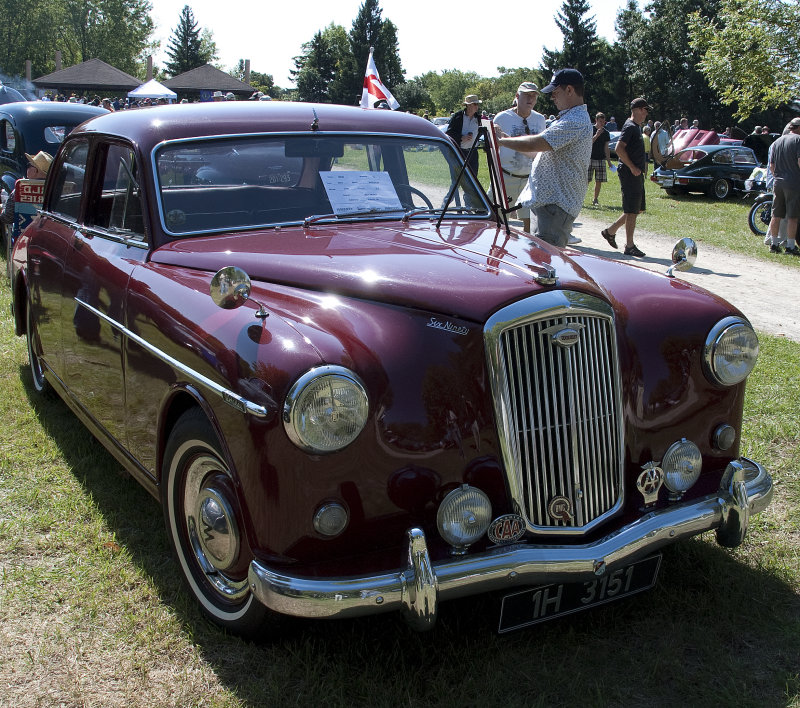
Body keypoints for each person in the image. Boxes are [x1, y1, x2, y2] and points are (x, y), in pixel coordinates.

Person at [495, 68, 592, 247]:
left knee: (544, 267)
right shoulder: (568, 118)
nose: (552, 97)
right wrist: (506, 140)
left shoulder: (575, 120)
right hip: (549, 206)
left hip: (554, 208)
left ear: (569, 90)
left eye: (555, 92)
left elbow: (537, 143)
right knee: (537, 263)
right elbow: (538, 153)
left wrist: (501, 141)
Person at [493, 82, 546, 232]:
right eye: (527, 95)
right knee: (498, 222)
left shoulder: (540, 119)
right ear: (517, 96)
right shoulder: (502, 118)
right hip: (505, 177)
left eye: (534, 96)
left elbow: (542, 149)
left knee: (530, 225)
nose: (531, 99)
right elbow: (492, 148)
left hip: (530, 179)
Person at [600, 97, 650, 258]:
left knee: (638, 208)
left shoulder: (635, 127)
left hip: (635, 173)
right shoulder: (630, 127)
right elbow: (619, 149)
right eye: (645, 110)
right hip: (630, 173)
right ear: (638, 110)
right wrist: (633, 167)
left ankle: (611, 231)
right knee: (631, 209)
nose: (646, 114)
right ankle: (629, 246)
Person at [765, 117, 800, 255]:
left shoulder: (777, 142)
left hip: (778, 182)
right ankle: (790, 246)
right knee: (793, 216)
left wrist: (777, 176)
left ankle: (774, 244)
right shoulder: (798, 141)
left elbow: (772, 165)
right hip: (794, 182)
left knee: (776, 214)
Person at [1, 151, 53, 229]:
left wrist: (4, 204)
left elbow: (7, 218)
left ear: (35, 171)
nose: (27, 168)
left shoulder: (21, 188)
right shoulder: (56, 190)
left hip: (23, 236)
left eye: (29, 165)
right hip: (49, 233)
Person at [446, 95, 483, 175]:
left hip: (473, 153)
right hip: (460, 152)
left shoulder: (478, 118)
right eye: (475, 104)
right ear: (469, 105)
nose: (477, 106)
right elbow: (449, 134)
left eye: (477, 104)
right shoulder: (458, 117)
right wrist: (461, 138)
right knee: (457, 179)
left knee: (473, 180)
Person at [587, 112, 614, 206]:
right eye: (600, 121)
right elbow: (587, 144)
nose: (602, 123)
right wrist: (596, 135)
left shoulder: (606, 133)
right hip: (589, 158)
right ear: (596, 120)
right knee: (586, 180)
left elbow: (606, 148)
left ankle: (595, 199)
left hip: (601, 159)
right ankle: (580, 199)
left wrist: (609, 161)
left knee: (599, 181)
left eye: (603, 122)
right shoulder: (590, 129)